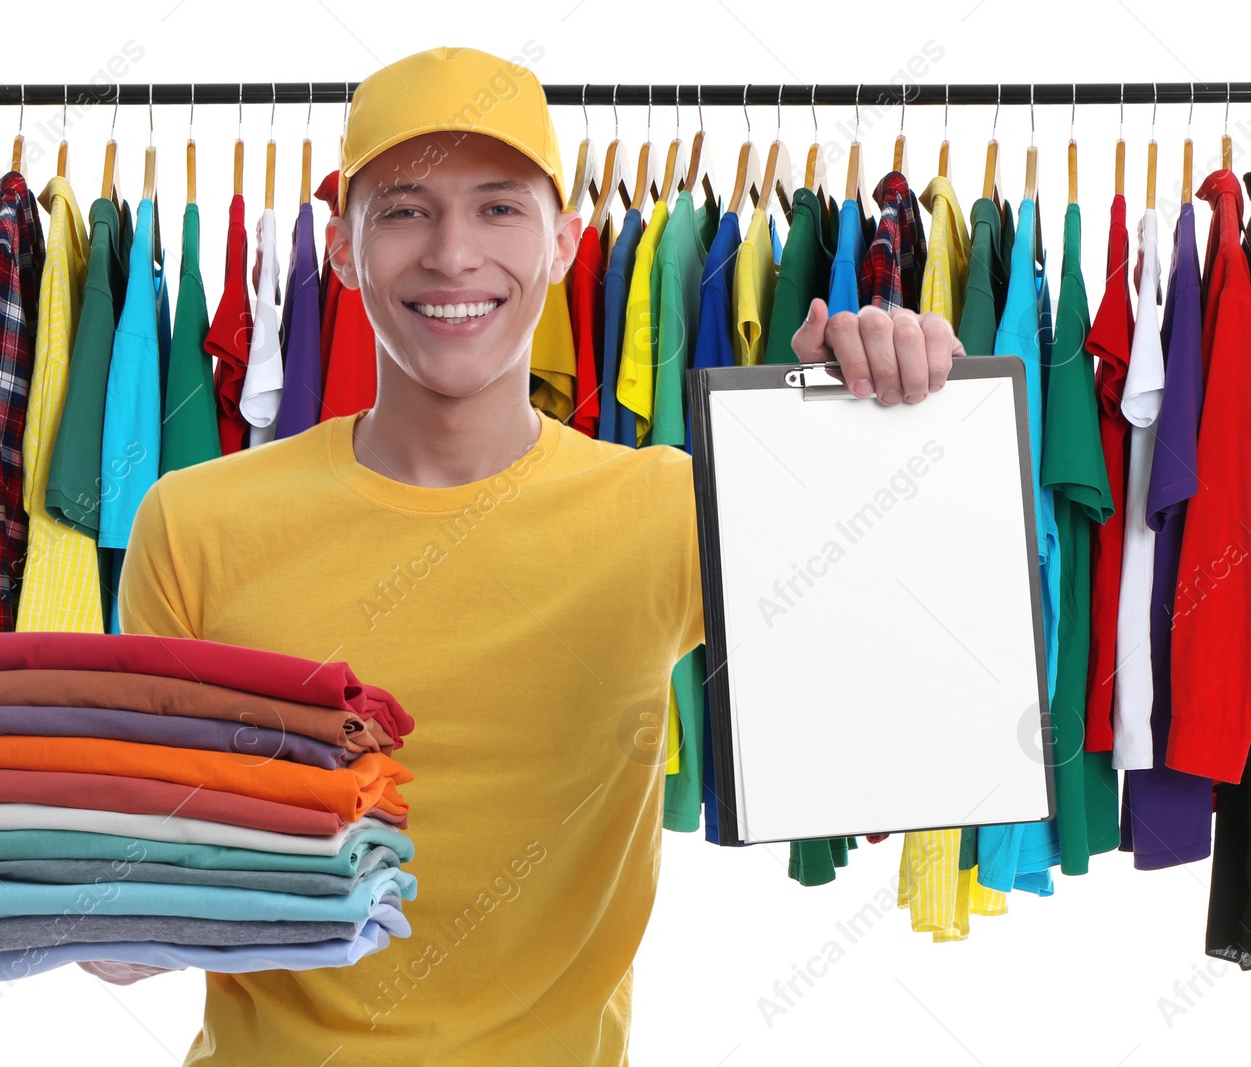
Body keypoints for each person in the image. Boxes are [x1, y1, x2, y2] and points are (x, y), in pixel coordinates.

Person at [91, 45, 965, 1065]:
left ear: (563, 244)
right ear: (340, 248)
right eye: (405, 209)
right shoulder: (192, 522)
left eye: (498, 207)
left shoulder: (670, 507)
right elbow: (121, 938)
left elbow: (908, 716)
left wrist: (860, 436)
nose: (453, 254)